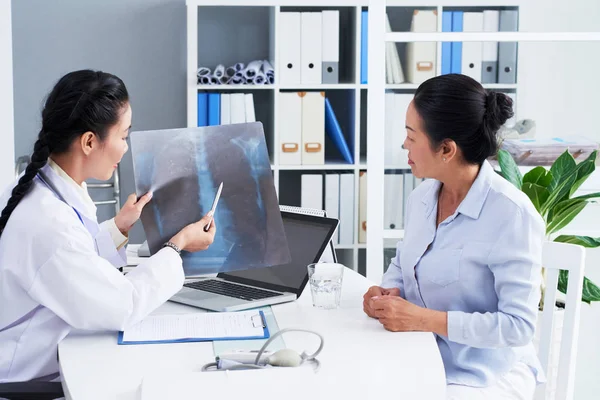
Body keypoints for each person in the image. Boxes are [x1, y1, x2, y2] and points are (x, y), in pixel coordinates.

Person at [0, 70, 216, 383]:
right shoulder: (48, 224)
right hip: (26, 378)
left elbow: (72, 262)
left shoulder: (41, 187)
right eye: (124, 136)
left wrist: (118, 227)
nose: (126, 148)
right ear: (89, 141)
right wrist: (178, 244)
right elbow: (122, 306)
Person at [363, 74, 545, 400]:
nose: (404, 145)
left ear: (446, 149)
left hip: (483, 374)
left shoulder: (511, 214)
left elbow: (518, 326)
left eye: (411, 136)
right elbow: (404, 262)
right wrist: (384, 292)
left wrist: (424, 319)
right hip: (419, 355)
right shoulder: (421, 198)